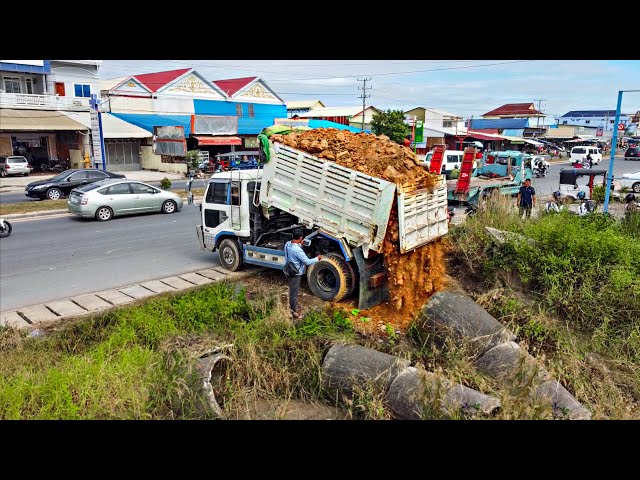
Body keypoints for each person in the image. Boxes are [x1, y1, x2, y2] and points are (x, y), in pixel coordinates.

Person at [284, 229, 322, 319]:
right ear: (300, 237)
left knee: (292, 290)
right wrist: (318, 258)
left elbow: (294, 248)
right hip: (295, 274)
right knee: (294, 292)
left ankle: (292, 307)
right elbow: (307, 262)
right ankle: (293, 311)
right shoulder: (298, 250)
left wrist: (300, 244)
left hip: (287, 270)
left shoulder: (287, 244)